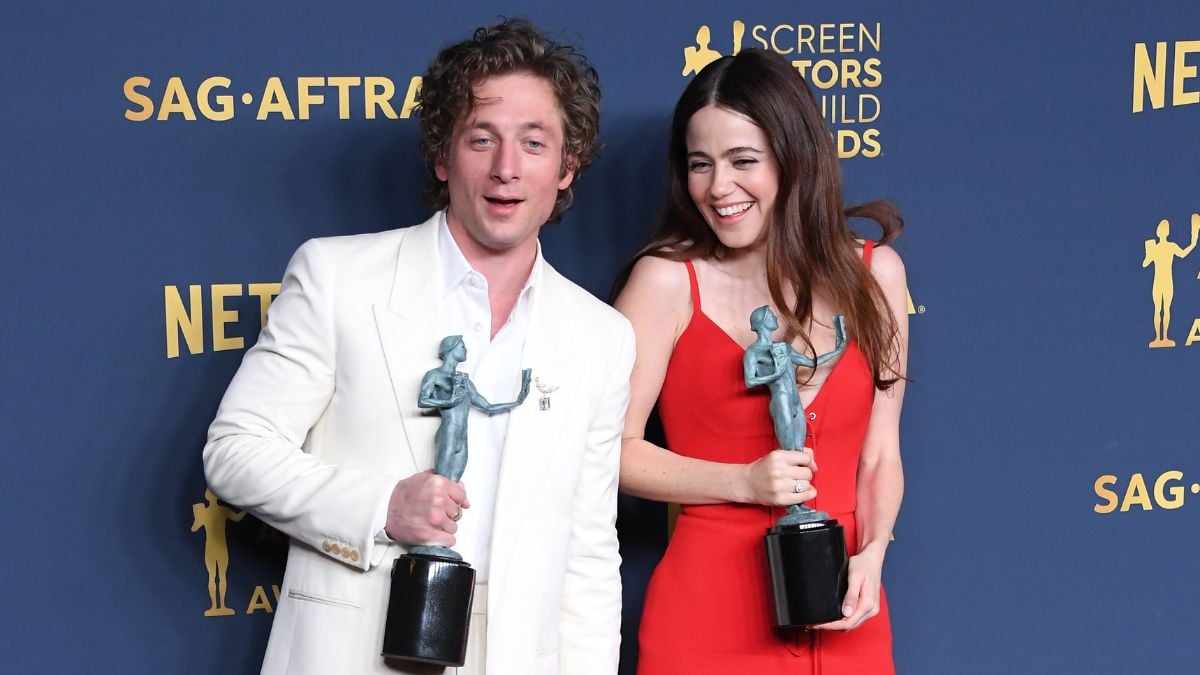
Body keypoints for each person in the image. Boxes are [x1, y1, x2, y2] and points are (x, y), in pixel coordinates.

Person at [203, 19, 633, 675]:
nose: (506, 169)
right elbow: (234, 451)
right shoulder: (337, 277)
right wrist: (382, 508)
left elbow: (589, 553)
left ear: (568, 166)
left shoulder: (601, 335)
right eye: (480, 139)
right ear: (442, 155)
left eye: (535, 143)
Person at [614, 48, 908, 673]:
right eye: (700, 165)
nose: (718, 188)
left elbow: (881, 452)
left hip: (843, 605)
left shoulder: (876, 275)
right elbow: (610, 450)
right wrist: (741, 482)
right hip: (707, 612)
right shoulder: (666, 283)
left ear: (795, 158)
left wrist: (874, 552)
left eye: (743, 160)